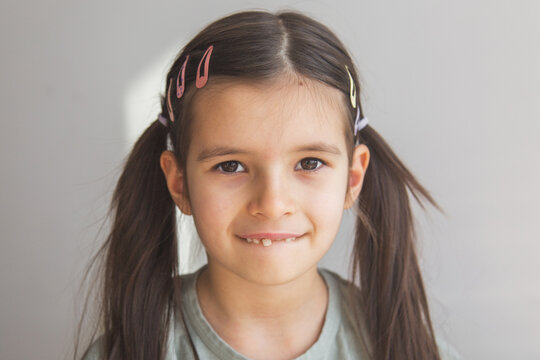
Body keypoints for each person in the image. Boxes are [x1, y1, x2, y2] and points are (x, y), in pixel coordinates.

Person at [77, 9, 461, 360]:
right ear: (179, 182)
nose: (273, 203)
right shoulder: (128, 351)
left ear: (353, 177)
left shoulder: (409, 349)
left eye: (309, 163)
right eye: (231, 166)